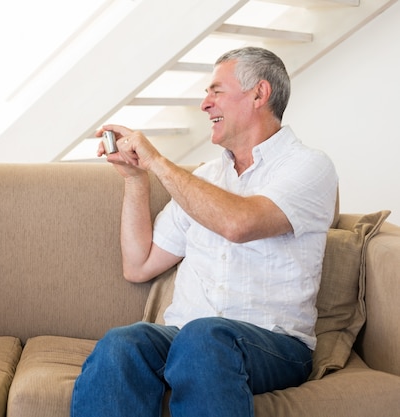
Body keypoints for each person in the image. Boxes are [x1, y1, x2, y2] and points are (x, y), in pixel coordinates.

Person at [71, 47, 338, 417]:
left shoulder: (309, 167)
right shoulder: (204, 180)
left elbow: (238, 224)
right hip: (185, 338)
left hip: (274, 344)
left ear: (259, 94)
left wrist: (160, 162)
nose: (204, 105)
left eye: (216, 91)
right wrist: (136, 179)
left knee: (205, 336)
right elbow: (139, 265)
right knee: (123, 343)